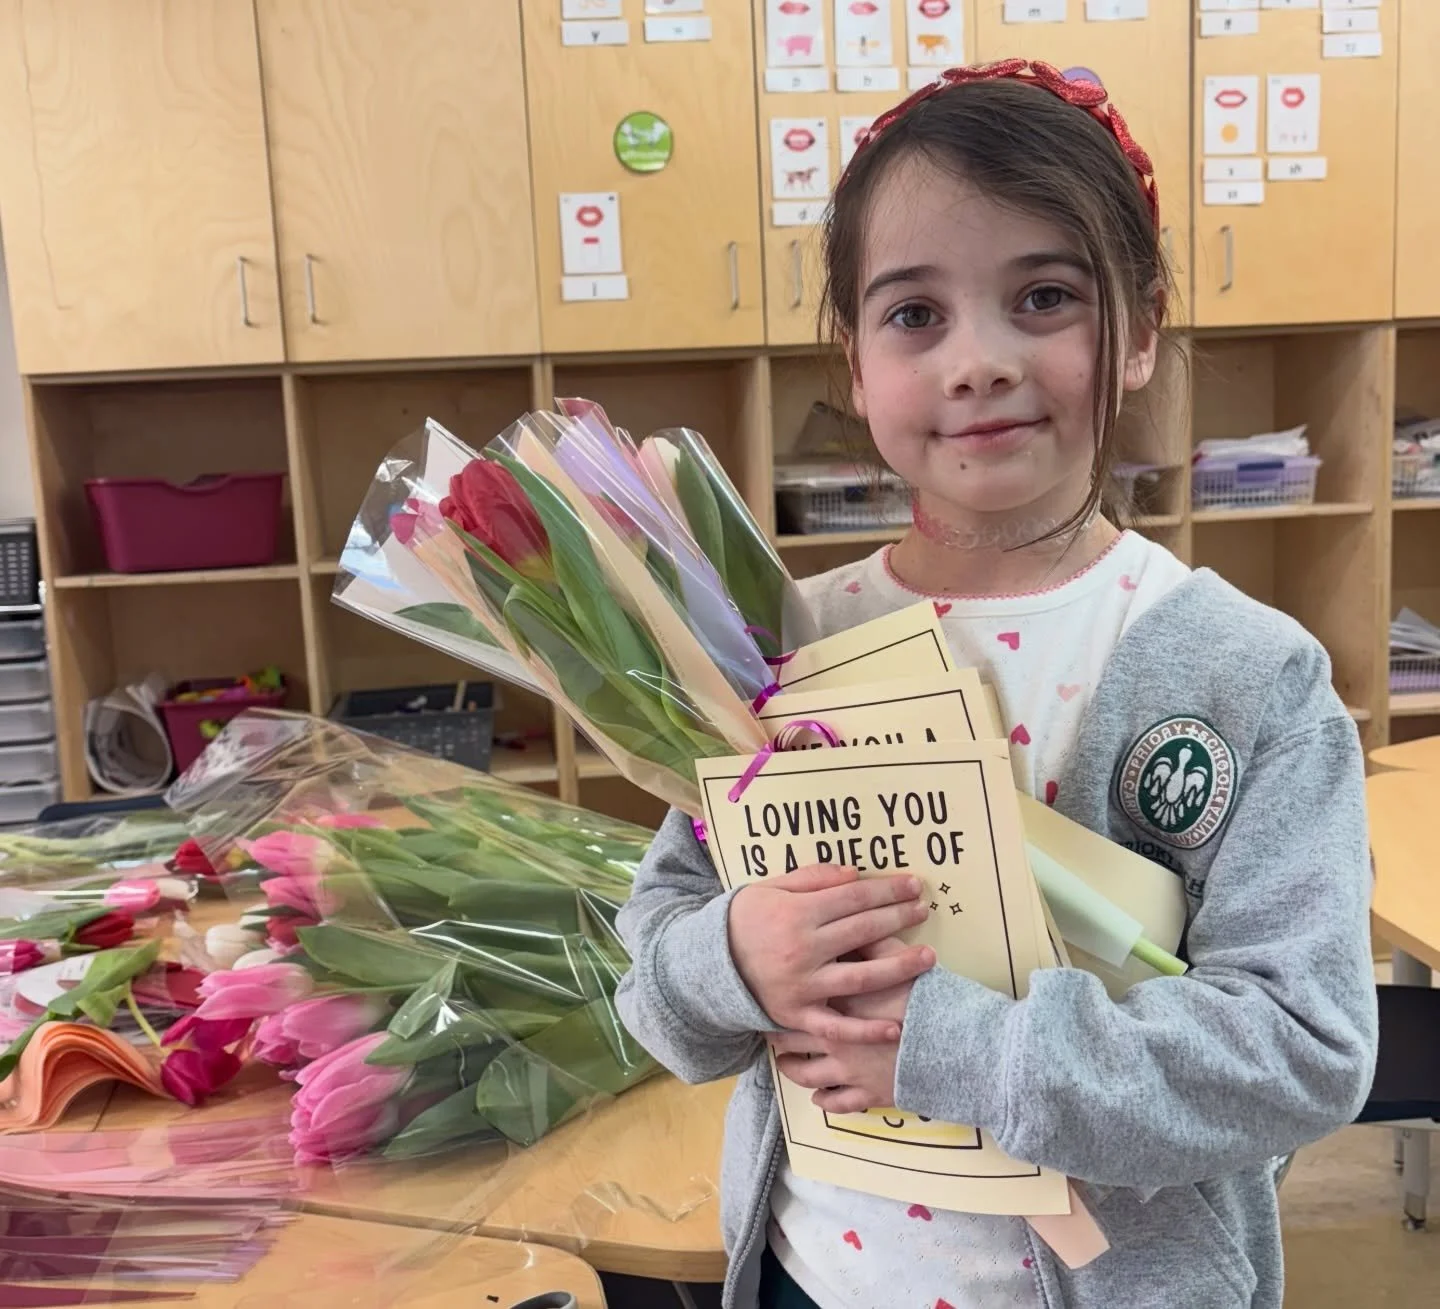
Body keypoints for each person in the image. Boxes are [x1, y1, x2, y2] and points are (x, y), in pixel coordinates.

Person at [615, 61, 1377, 1309]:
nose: (977, 361)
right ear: (853, 365)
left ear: (1137, 331)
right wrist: (734, 960)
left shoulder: (1247, 675)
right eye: (915, 315)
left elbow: (1304, 1049)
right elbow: (658, 970)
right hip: (813, 1273)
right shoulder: (779, 648)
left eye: (1042, 298)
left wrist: (958, 1049)